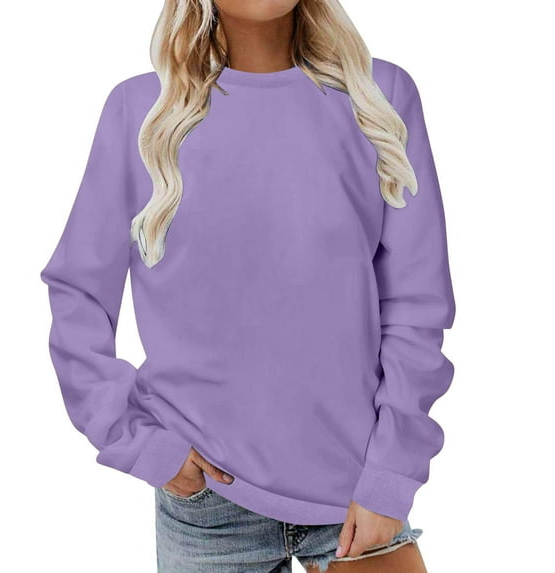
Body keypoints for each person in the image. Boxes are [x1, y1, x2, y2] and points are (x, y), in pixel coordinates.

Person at [39, 0, 456, 571]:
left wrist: (391, 474)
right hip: (208, 503)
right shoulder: (142, 111)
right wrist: (136, 439)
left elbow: (415, 304)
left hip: (358, 495)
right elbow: (78, 291)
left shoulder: (379, 98)